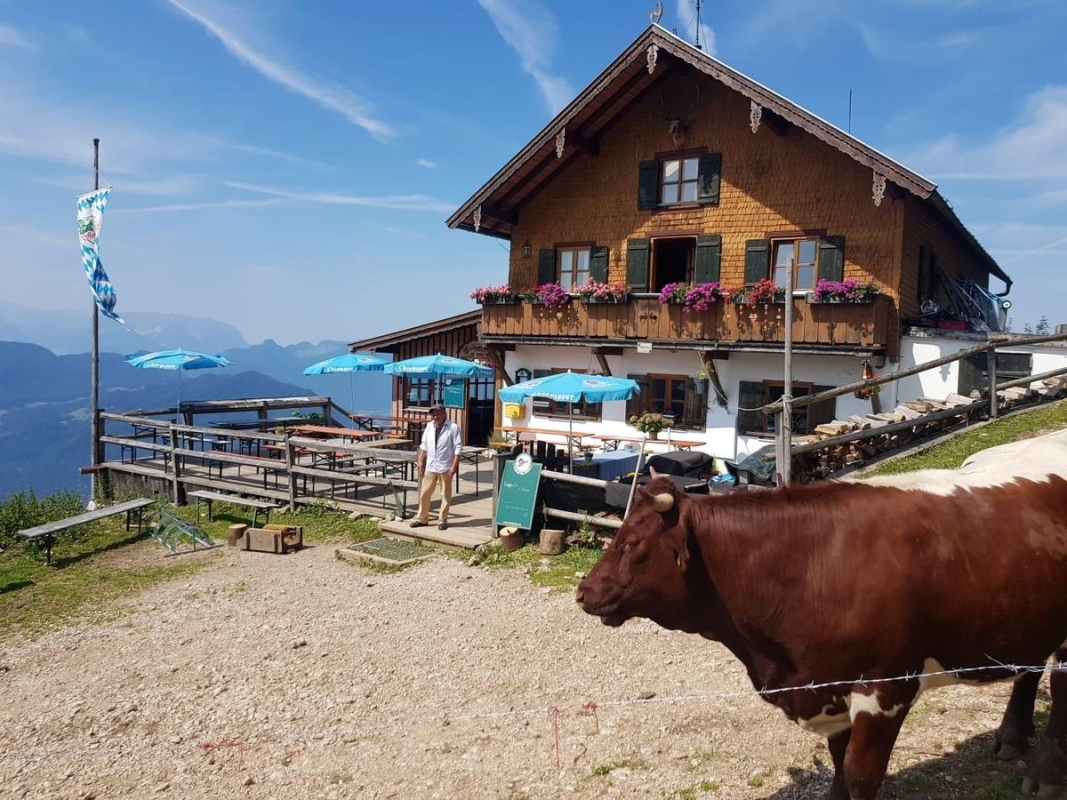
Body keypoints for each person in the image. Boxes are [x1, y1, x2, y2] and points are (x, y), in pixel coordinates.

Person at [410, 403, 463, 530]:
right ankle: (422, 519)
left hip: (445, 466)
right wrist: (421, 461)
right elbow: (424, 445)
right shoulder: (429, 426)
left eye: (438, 413)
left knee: (445, 494)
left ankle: (442, 520)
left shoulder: (453, 427)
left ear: (445, 413)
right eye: (433, 414)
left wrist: (454, 466)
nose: (435, 417)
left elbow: (458, 448)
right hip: (431, 465)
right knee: (424, 493)